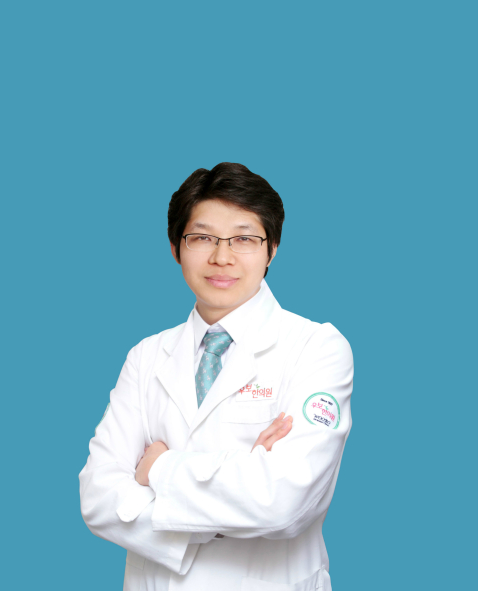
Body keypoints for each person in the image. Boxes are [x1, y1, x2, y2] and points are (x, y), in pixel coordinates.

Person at [79, 162, 354, 591]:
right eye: (202, 237)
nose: (221, 257)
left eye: (244, 238)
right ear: (176, 248)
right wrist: (229, 502)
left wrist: (158, 469)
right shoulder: (146, 355)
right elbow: (98, 498)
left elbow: (283, 501)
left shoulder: (317, 347)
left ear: (272, 249)